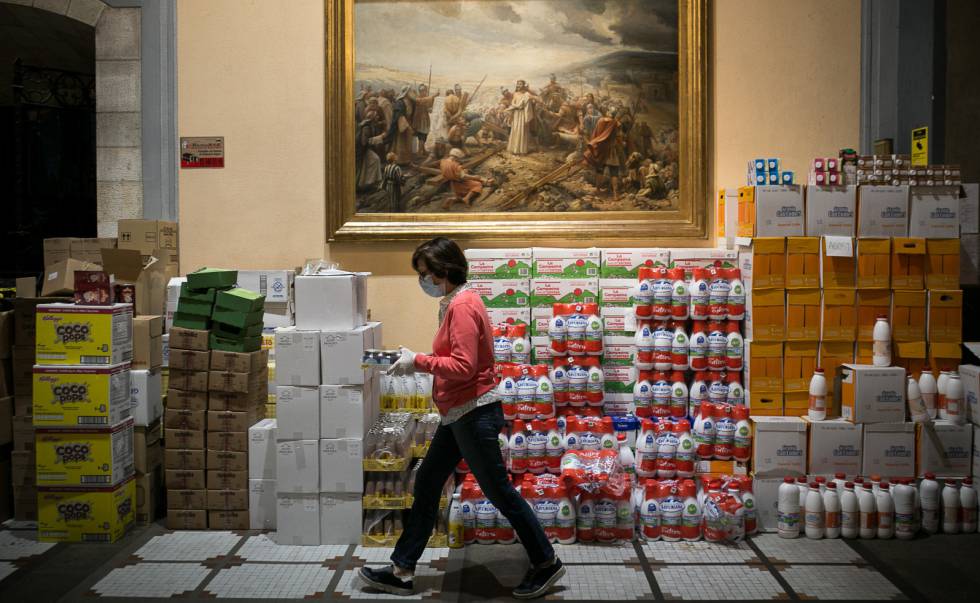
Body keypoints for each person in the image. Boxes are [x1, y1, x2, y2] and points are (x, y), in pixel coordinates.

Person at [358, 238, 564, 600]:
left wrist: (417, 360)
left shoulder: (464, 305)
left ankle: (545, 562)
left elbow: (464, 365)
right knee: (426, 482)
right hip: (458, 413)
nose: (422, 280)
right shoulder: (455, 302)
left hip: (474, 413)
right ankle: (402, 570)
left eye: (424, 274)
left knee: (499, 491)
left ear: (443, 271)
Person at [505, 79, 539, 155]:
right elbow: (513, 102)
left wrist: (531, 97)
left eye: (520, 84)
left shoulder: (526, 94)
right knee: (516, 129)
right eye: (518, 84)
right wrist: (515, 106)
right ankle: (515, 149)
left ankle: (522, 150)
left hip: (523, 114)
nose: (519, 85)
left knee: (522, 130)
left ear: (523, 85)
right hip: (516, 114)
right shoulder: (515, 93)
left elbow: (536, 98)